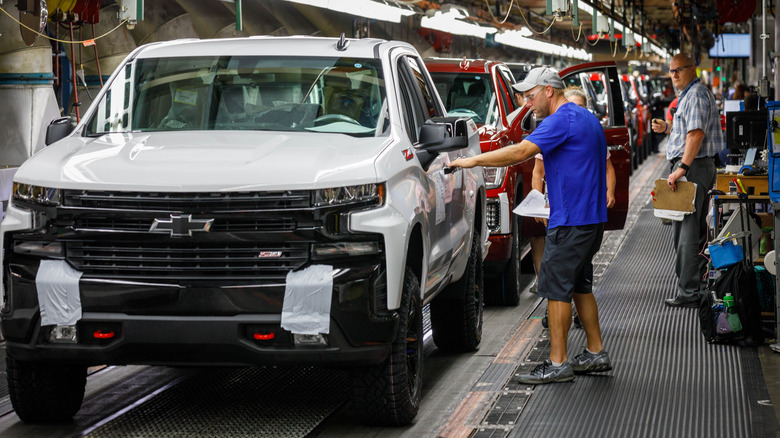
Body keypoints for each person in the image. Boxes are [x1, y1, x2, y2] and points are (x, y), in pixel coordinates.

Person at [449, 67, 612, 384]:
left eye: (530, 94)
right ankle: (595, 351)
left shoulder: (559, 121)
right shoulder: (587, 118)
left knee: (556, 290)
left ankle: (557, 362)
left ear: (549, 91)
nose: (526, 102)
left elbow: (520, 151)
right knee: (580, 286)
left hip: (571, 222)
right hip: (591, 221)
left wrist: (472, 160)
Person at [651, 54, 722, 308]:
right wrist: (668, 130)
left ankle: (689, 292)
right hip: (696, 166)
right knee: (691, 230)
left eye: (678, 70)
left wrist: (681, 167)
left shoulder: (696, 95)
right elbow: (687, 131)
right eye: (671, 71)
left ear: (692, 69)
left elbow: (696, 134)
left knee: (686, 232)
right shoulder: (690, 95)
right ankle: (696, 285)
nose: (674, 75)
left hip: (693, 168)